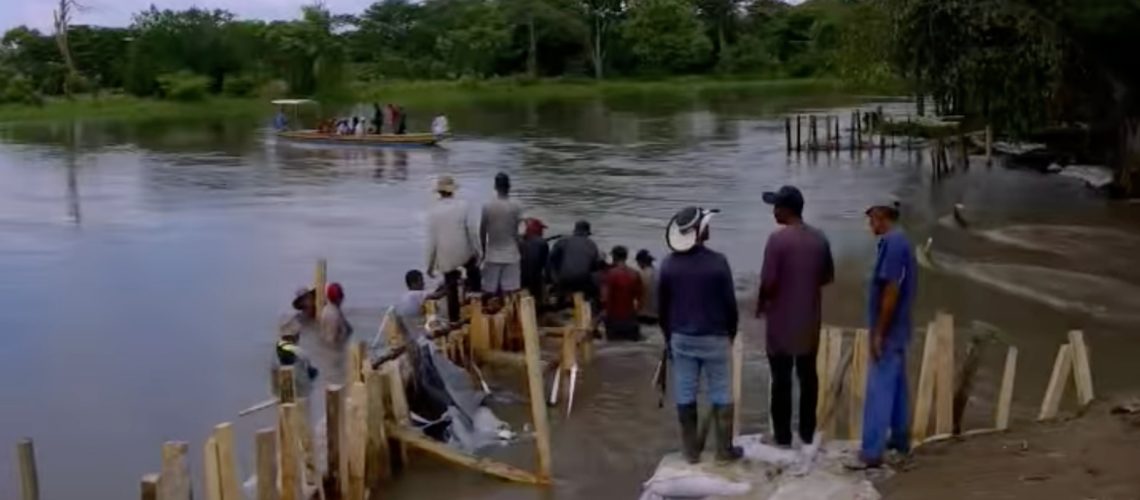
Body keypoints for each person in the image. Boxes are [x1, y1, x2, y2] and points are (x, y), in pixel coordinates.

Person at [659, 206, 742, 464]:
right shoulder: (718, 263)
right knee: (721, 391)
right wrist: (730, 332)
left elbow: (663, 308)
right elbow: (730, 305)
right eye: (707, 225)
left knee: (685, 392)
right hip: (715, 337)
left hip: (681, 337)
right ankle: (723, 451)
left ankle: (691, 452)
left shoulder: (669, 265)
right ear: (701, 232)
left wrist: (668, 337)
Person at [757, 185, 835, 449]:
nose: (773, 212)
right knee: (808, 377)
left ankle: (782, 437)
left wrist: (762, 304)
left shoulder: (776, 241)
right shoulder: (820, 238)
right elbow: (826, 277)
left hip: (780, 324)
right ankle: (807, 433)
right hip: (809, 323)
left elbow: (768, 282)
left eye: (776, 207)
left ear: (786, 210)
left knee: (781, 380)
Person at [847, 199, 917, 470]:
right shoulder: (897, 242)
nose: (869, 224)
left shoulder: (894, 244)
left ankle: (871, 451)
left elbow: (891, 291)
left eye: (872, 218)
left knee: (878, 390)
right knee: (897, 388)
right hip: (898, 330)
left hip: (889, 332)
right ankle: (900, 441)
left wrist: (878, 334)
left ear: (882, 216)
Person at [427, 175, 482, 323]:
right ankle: (475, 298)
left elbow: (432, 243)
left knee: (450, 286)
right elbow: (472, 231)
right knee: (473, 269)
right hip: (464, 253)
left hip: (446, 258)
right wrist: (479, 251)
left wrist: (429, 266)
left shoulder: (434, 212)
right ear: (453, 191)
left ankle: (454, 320)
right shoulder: (464, 205)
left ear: (439, 192)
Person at [480, 172, 524, 297]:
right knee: (510, 292)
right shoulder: (517, 206)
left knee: (489, 291)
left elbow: (482, 231)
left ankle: (489, 313)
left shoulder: (487, 206)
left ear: (495, 187)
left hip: (492, 254)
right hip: (511, 255)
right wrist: (520, 250)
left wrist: (484, 252)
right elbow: (520, 233)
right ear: (509, 187)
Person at [550, 220, 603, 306]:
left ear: (574, 230)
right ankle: (591, 302)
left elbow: (551, 259)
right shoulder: (592, 244)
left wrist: (555, 278)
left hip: (563, 280)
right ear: (587, 233)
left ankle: (560, 297)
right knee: (595, 275)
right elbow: (595, 267)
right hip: (582, 281)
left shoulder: (563, 241)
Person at [602, 246, 643, 341]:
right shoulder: (635, 274)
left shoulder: (609, 274)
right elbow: (640, 299)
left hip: (614, 321)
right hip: (630, 321)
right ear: (626, 257)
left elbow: (604, 298)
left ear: (614, 257)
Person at [274, 315, 319, 398]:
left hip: (282, 395)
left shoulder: (276, 351)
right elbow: (311, 374)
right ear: (296, 336)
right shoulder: (300, 353)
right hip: (301, 395)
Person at [395, 270, 447, 339]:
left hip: (407, 324)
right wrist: (451, 287)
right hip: (418, 327)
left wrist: (441, 287)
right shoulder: (416, 294)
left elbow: (433, 292)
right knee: (444, 328)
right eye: (421, 281)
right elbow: (437, 296)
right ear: (413, 283)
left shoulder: (404, 296)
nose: (423, 283)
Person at [520, 218, 550, 309]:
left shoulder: (518, 241)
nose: (542, 232)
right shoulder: (542, 243)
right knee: (541, 276)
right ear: (537, 230)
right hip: (534, 280)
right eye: (541, 229)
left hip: (517, 278)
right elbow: (547, 265)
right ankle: (540, 304)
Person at [635, 249, 658, 325]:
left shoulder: (638, 274)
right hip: (657, 316)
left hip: (641, 316)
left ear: (640, 262)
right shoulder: (660, 274)